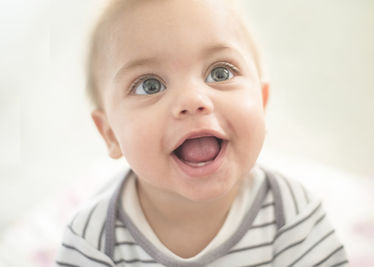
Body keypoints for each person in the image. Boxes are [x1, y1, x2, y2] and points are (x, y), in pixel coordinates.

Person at [56, 0, 348, 266]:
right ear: (110, 134)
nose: (193, 100)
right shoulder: (94, 240)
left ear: (262, 101)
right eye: (150, 85)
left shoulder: (292, 216)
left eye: (220, 72)